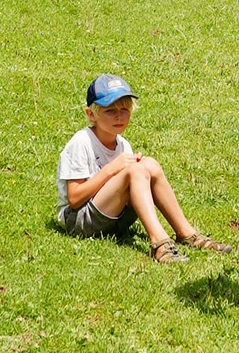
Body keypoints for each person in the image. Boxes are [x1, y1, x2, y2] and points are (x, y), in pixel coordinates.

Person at [56, 75, 221, 261]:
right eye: (110, 110)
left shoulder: (123, 145)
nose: (119, 116)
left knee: (149, 164)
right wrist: (112, 169)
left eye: (124, 109)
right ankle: (159, 244)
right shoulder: (82, 141)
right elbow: (74, 198)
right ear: (91, 114)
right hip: (79, 220)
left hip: (114, 220)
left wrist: (141, 173)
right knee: (135, 170)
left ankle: (186, 233)